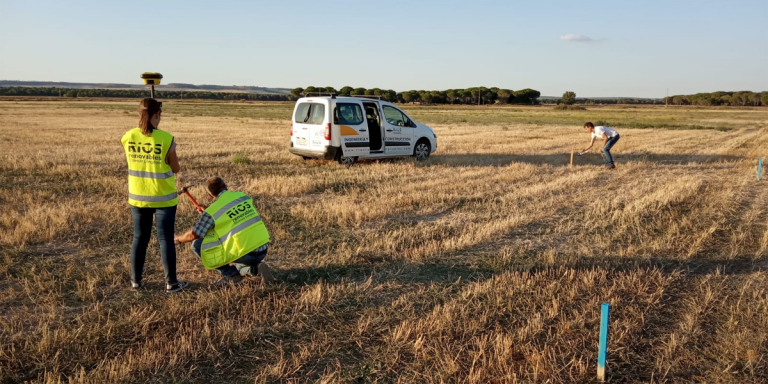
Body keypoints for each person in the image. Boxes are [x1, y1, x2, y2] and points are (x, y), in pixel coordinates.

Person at [121, 98, 188, 293]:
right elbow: (175, 168)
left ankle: (136, 282)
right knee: (165, 239)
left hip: (138, 196)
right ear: (157, 115)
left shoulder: (128, 137)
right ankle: (171, 283)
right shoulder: (166, 139)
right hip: (164, 197)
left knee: (139, 238)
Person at [174, 177, 275, 286]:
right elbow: (230, 216)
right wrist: (208, 210)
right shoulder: (242, 196)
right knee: (241, 264)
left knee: (197, 245)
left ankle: (232, 275)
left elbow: (194, 234)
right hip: (263, 248)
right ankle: (256, 268)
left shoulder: (212, 212)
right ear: (226, 186)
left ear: (210, 195)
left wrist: (177, 239)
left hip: (245, 252)